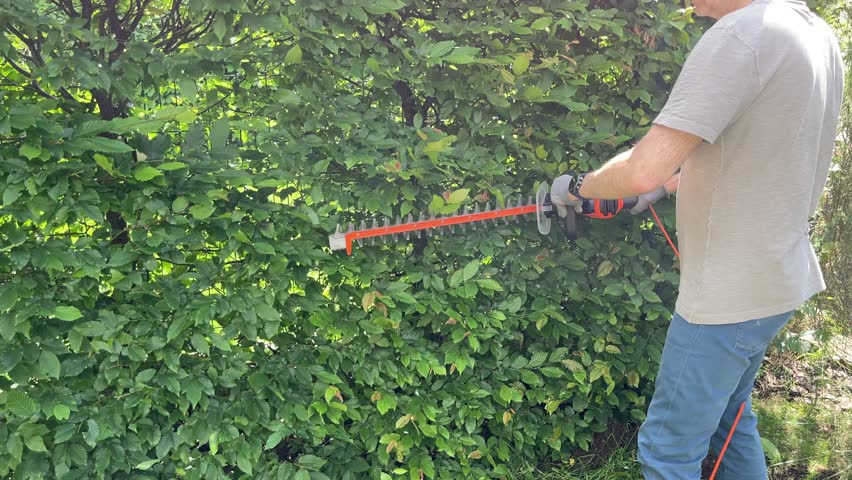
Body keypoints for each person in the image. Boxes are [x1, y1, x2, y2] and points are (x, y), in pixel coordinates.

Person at [549, 0, 845, 478]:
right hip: (777, 280)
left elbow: (644, 166)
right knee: (731, 419)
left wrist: (578, 188)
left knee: (668, 451)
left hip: (727, 299)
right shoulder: (814, 34)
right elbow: (755, 148)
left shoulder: (742, 36)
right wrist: (667, 185)